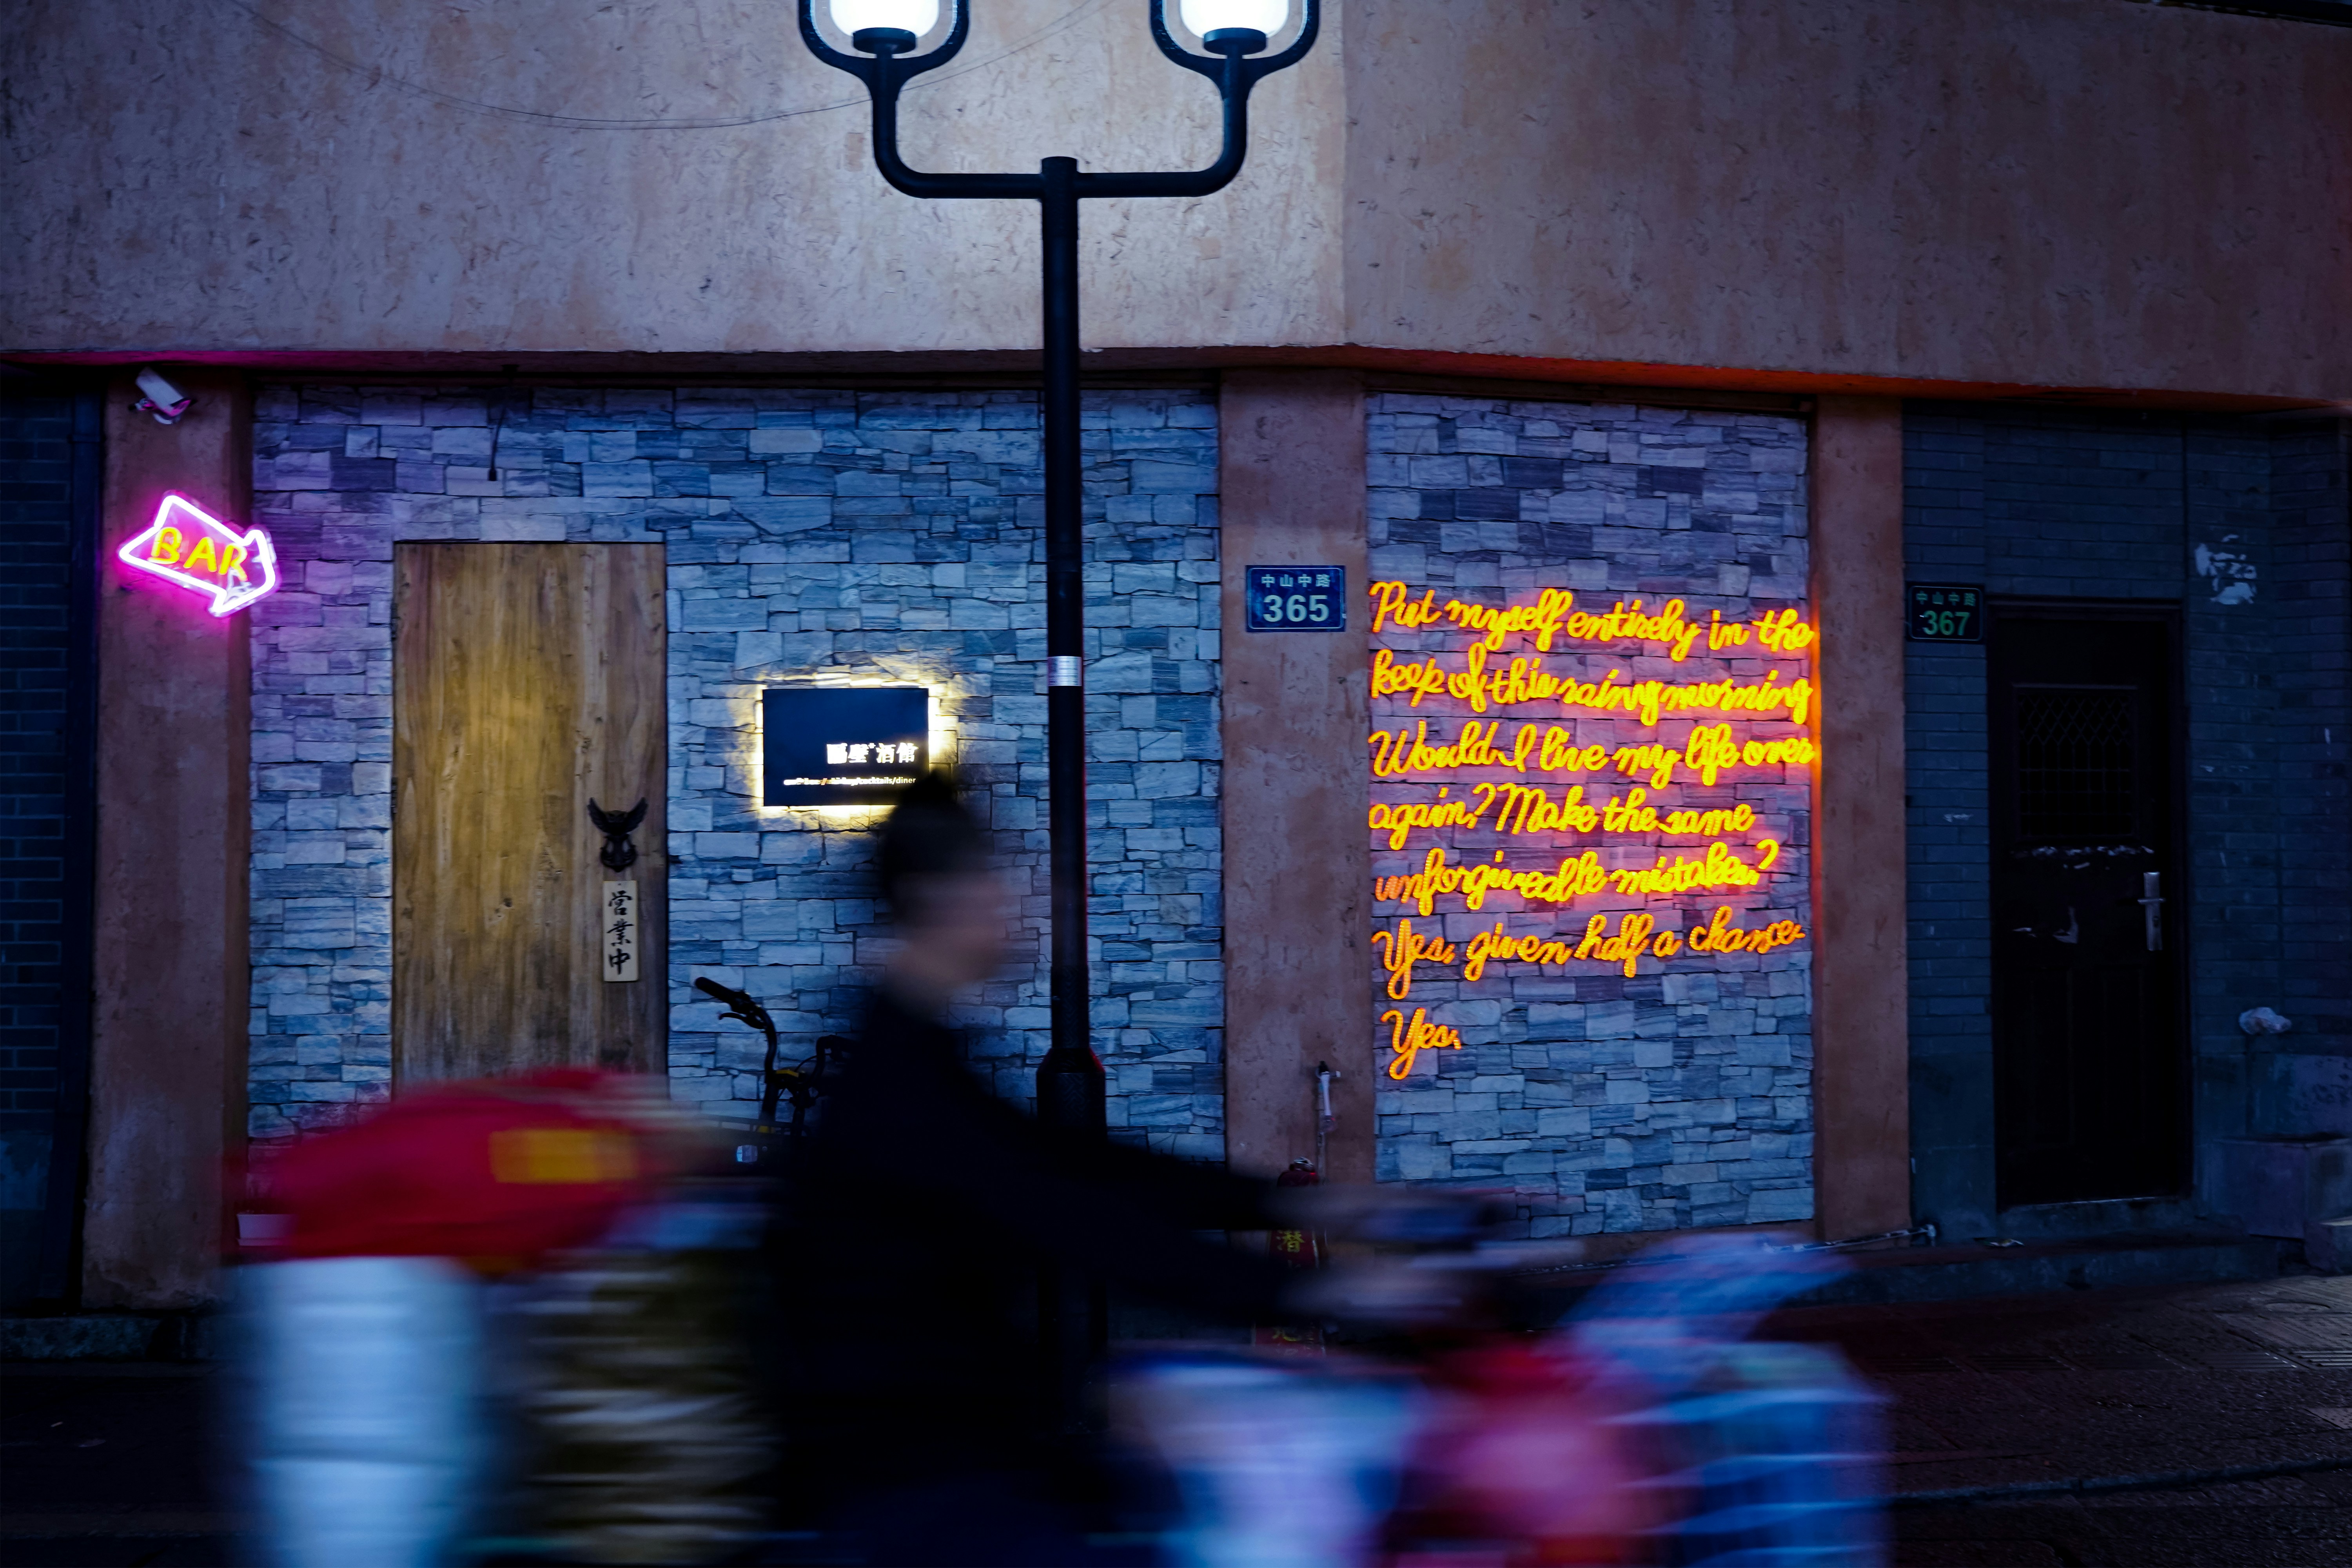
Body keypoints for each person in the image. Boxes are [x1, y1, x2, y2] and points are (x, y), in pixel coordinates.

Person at [769, 773, 1455, 1564]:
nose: (1022, 902)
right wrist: (1314, 1288)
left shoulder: (923, 1055)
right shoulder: (902, 1087)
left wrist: (1311, 1207)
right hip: (926, 1493)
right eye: (1001, 878)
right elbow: (1076, 1216)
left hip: (964, 1461)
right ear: (939, 897)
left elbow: (1085, 1165)